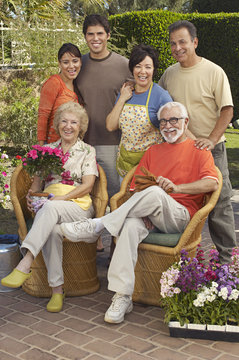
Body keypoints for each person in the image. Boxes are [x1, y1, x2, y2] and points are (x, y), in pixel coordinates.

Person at [60, 101, 219, 323]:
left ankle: (100, 225)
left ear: (186, 122)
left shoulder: (198, 150)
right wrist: (144, 213)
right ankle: (122, 296)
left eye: (174, 120)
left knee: (155, 193)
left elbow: (211, 184)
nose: (168, 125)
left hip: (181, 216)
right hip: (150, 214)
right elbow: (135, 189)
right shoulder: (153, 151)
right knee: (130, 227)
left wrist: (177, 188)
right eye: (163, 121)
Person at [1, 102, 98, 312]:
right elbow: (36, 185)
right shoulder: (46, 151)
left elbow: (88, 185)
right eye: (64, 121)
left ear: (80, 126)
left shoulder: (87, 151)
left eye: (74, 122)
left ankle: (25, 261)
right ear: (57, 124)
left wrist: (60, 200)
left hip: (77, 205)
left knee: (50, 208)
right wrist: (31, 197)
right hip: (49, 204)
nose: (68, 126)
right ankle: (57, 290)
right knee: (52, 229)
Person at [159, 20, 237, 263]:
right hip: (181, 150)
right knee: (181, 199)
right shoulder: (169, 74)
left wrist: (212, 140)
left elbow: (227, 110)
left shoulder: (214, 71)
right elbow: (158, 102)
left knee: (219, 203)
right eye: (173, 43)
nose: (177, 47)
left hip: (212, 148)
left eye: (182, 41)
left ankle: (228, 261)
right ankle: (180, 257)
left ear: (194, 42)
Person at [76, 14, 133, 252]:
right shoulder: (78, 64)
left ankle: (116, 250)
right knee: (85, 198)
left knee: (113, 198)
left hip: (112, 143)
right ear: (85, 36)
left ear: (108, 35)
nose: (95, 38)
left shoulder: (124, 65)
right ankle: (91, 245)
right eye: (91, 34)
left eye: (100, 33)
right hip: (83, 143)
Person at [106, 44, 172, 178]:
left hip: (150, 168)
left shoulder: (161, 96)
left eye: (148, 67)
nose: (143, 71)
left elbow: (175, 126)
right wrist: (122, 98)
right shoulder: (126, 91)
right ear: (132, 69)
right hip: (125, 166)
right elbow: (110, 126)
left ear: (154, 70)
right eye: (138, 66)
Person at [37, 43, 83, 145]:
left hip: (73, 148)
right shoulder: (54, 83)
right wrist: (42, 149)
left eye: (75, 61)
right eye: (66, 62)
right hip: (53, 147)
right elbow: (43, 116)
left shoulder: (79, 85)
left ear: (80, 62)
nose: (71, 66)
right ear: (59, 64)